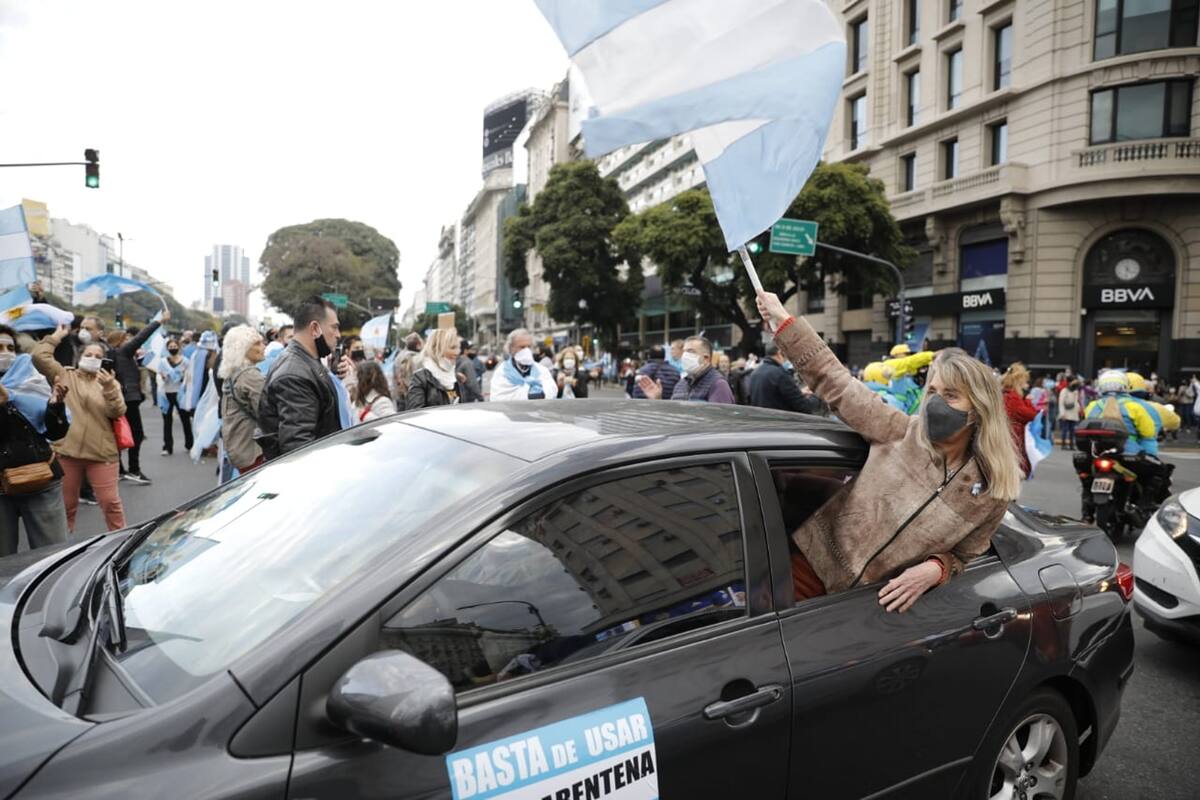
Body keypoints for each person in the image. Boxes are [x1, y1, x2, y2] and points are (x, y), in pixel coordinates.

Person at [756, 290, 1021, 611]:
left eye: (950, 395)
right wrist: (785, 323)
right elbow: (837, 383)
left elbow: (967, 553)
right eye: (932, 391)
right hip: (806, 573)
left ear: (978, 409)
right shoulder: (900, 431)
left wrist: (936, 568)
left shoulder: (994, 491)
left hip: (872, 606)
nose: (935, 402)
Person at [32, 323, 127, 532]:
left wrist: (110, 388)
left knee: (110, 503)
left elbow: (117, 411)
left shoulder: (110, 383)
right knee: (66, 507)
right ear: (80, 356)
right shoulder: (66, 375)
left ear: (103, 360)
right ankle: (60, 552)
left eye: (97, 356)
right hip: (68, 451)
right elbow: (39, 356)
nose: (92, 358)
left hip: (102, 453)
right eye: (89, 354)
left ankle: (122, 543)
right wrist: (57, 335)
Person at [0, 326, 70, 555]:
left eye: (10, 347)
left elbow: (55, 433)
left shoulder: (30, 380)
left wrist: (55, 406)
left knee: (51, 557)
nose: (6, 353)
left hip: (41, 480)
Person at [258, 296, 342, 460]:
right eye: (335, 327)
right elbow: (298, 448)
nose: (338, 335)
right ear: (315, 328)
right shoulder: (294, 374)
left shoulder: (305, 361)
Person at [105, 311, 168, 485]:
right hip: (128, 399)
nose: (129, 342)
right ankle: (134, 469)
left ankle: (120, 469)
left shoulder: (113, 355)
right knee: (137, 434)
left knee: (117, 433)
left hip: (121, 398)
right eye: (126, 339)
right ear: (120, 341)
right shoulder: (123, 352)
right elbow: (141, 337)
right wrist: (158, 321)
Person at [217, 325, 267, 474]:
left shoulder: (234, 372)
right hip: (252, 450)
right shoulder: (250, 375)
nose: (263, 346)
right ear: (242, 349)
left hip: (239, 447)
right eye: (257, 343)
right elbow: (268, 412)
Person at [637, 336, 734, 403]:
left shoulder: (718, 384)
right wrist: (658, 400)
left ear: (706, 358)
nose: (685, 356)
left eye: (690, 352)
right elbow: (673, 417)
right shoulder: (681, 384)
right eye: (684, 352)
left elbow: (721, 426)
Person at [407, 327, 480, 409]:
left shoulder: (454, 377)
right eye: (452, 348)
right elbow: (415, 414)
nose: (457, 352)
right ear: (437, 349)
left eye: (458, 347)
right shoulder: (420, 378)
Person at [750, 340, 819, 413]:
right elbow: (805, 407)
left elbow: (772, 396)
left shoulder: (755, 373)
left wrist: (799, 392)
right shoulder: (780, 374)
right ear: (779, 353)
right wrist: (816, 394)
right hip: (780, 422)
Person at [489, 328, 557, 401]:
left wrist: (541, 393)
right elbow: (497, 398)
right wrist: (528, 395)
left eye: (529, 347)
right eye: (522, 347)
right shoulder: (502, 372)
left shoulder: (541, 370)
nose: (526, 350)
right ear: (511, 348)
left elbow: (552, 390)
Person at [1001, 362, 1038, 477]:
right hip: (1013, 440)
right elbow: (1031, 415)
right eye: (1025, 381)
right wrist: (1028, 401)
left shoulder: (1004, 394)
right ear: (1018, 381)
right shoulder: (1013, 398)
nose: (1026, 384)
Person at [157, 337, 193, 455]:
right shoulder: (163, 362)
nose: (173, 348)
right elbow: (159, 376)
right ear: (167, 348)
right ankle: (167, 447)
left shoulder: (186, 361)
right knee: (167, 421)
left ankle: (190, 444)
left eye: (174, 346)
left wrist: (183, 376)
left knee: (185, 420)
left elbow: (189, 378)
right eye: (170, 347)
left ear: (179, 347)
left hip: (180, 393)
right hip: (166, 393)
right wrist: (163, 377)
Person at [392, 332, 424, 402]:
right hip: (412, 398)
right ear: (418, 345)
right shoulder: (417, 359)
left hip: (400, 396)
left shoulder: (399, 356)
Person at [1057, 379, 1081, 450]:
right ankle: (1063, 444)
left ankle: (1071, 445)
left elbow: (1076, 401)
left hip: (1073, 413)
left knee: (1072, 430)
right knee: (1065, 430)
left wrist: (1078, 409)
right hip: (1066, 413)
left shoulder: (1075, 391)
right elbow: (1061, 403)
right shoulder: (1064, 391)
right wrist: (1062, 413)